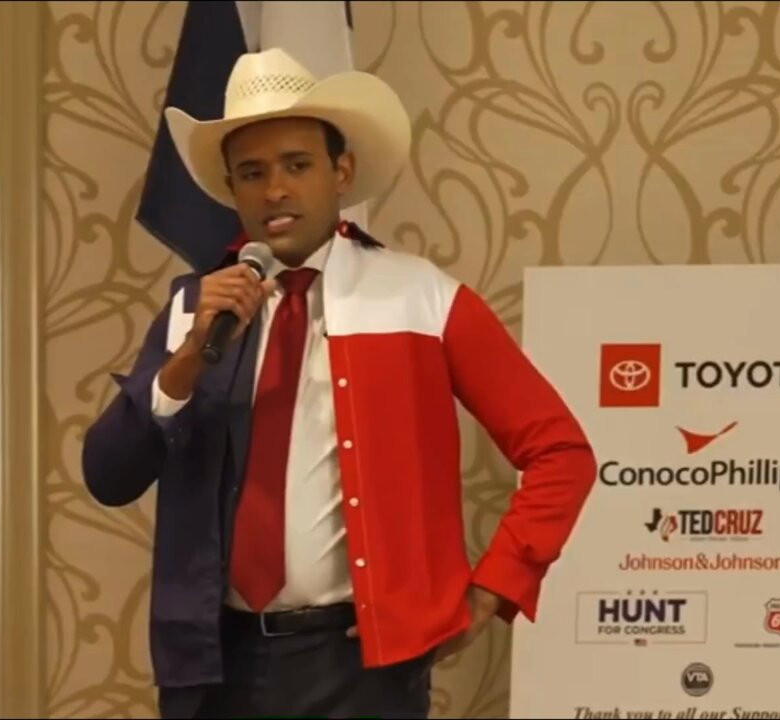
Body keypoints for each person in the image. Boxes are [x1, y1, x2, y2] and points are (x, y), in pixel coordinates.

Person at [82, 47, 598, 719]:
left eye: (297, 166)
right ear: (232, 190)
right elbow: (107, 475)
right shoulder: (194, 307)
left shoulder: (424, 298)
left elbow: (561, 452)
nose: (275, 191)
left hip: (359, 667)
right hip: (211, 662)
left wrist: (494, 586)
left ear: (341, 171)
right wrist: (185, 362)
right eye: (253, 173)